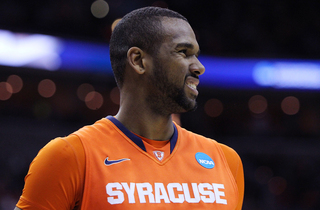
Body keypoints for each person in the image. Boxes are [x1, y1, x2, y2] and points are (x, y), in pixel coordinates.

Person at [15, 6, 244, 210]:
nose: (199, 67)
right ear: (138, 60)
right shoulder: (69, 157)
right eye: (183, 52)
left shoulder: (226, 161)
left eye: (196, 55)